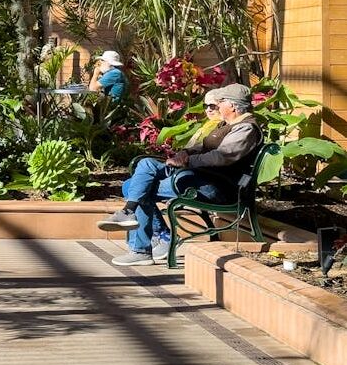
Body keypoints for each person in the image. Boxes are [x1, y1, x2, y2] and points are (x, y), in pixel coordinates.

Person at [98, 83, 263, 266]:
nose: (217, 105)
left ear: (232, 105)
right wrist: (185, 152)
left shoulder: (246, 129)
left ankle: (141, 246)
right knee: (141, 173)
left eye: (220, 101)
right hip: (199, 178)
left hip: (216, 187)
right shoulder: (228, 125)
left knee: (136, 186)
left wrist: (187, 161)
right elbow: (204, 147)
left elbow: (222, 157)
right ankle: (135, 221)